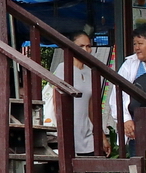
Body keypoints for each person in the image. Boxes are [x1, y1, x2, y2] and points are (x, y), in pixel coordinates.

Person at [39, 28, 101, 157]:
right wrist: (62, 132)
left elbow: (91, 107)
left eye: (88, 46)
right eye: (81, 46)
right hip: (68, 132)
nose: (86, 50)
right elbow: (57, 103)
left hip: (87, 133)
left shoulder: (91, 73)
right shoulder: (63, 69)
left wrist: (100, 134)